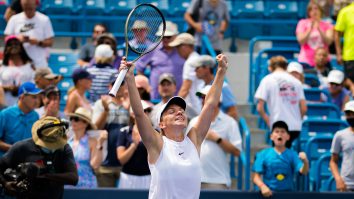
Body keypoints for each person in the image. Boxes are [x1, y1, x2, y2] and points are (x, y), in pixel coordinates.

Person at [123, 53, 228, 199]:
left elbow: (210, 105)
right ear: (161, 124)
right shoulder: (157, 143)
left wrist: (221, 71)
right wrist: (130, 79)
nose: (179, 113)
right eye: (171, 111)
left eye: (181, 111)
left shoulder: (193, 140)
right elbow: (140, 114)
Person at [0, 116, 78, 199]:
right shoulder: (21, 147)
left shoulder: (64, 148)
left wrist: (43, 174)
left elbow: (73, 178)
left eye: (54, 143)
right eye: (48, 143)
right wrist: (5, 183)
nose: (51, 147)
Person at [187, 85, 242, 190]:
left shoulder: (230, 122)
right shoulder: (194, 121)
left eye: (206, 97)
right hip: (194, 179)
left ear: (217, 100)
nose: (203, 100)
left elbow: (237, 151)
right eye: (202, 98)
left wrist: (217, 139)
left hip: (218, 180)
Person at [255, 56, 307, 148]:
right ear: (286, 67)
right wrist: (298, 120)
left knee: (279, 157)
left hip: (278, 126)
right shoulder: (296, 82)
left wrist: (268, 120)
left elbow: (260, 107)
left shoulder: (267, 80)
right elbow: (303, 108)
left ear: (270, 67)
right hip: (295, 126)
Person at [253, 121, 309, 197]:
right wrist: (262, 186)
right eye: (276, 131)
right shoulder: (263, 154)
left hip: (288, 195)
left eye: (283, 132)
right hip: (269, 195)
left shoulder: (292, 154)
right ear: (271, 136)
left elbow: (304, 171)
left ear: (288, 137)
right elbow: (255, 176)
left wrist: (305, 161)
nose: (280, 134)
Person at [92, 78, 130, 187]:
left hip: (125, 164)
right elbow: (97, 127)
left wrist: (128, 108)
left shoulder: (129, 103)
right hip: (105, 163)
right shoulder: (100, 103)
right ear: (110, 86)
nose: (118, 87)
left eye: (121, 84)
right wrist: (106, 110)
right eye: (115, 84)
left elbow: (133, 129)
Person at [135, 21, 185, 100]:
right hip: (155, 97)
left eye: (168, 36)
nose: (165, 39)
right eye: (162, 36)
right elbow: (139, 68)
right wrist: (145, 86)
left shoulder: (182, 50)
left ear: (176, 36)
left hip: (178, 97)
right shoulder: (153, 48)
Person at [4, 0, 54, 68]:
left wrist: (38, 42)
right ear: (22, 6)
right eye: (25, 8)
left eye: (30, 9)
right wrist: (17, 40)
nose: (28, 11)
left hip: (39, 64)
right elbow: (7, 39)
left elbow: (50, 42)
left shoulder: (44, 19)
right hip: (19, 65)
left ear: (36, 5)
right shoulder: (14, 19)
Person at [67, 107, 107, 188]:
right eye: (72, 118)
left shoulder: (92, 142)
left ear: (85, 123)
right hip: (68, 185)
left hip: (86, 185)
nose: (73, 121)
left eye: (76, 119)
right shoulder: (67, 142)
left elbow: (95, 165)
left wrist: (100, 143)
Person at [117, 100, 152, 189]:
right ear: (133, 114)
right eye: (143, 111)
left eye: (148, 111)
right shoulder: (124, 132)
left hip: (149, 178)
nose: (146, 113)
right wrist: (134, 145)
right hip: (128, 179)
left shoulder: (156, 133)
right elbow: (121, 159)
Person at [192, 55, 239, 120]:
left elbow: (233, 112)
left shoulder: (223, 87)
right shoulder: (200, 87)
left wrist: (217, 124)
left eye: (197, 68)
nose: (195, 70)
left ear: (207, 68)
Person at [0, 82, 41, 157]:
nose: (37, 101)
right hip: (6, 162)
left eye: (38, 97)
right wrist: (15, 149)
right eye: (34, 97)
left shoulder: (35, 116)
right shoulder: (5, 114)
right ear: (22, 97)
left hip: (27, 162)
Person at [170, 33, 204, 118]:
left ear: (187, 46)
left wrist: (173, 106)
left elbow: (185, 88)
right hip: (198, 107)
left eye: (179, 46)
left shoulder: (190, 62)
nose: (177, 50)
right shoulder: (197, 58)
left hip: (194, 109)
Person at [0, 35, 35, 107]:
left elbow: (34, 86)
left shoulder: (30, 66)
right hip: (4, 106)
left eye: (16, 44)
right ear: (6, 49)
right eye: (10, 45)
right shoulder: (1, 66)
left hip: (24, 106)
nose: (13, 46)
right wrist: (7, 88)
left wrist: (21, 89)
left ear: (21, 47)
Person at [296, 1, 333, 67]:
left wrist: (319, 29)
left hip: (323, 60)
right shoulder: (302, 23)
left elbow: (328, 42)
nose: (314, 11)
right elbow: (301, 41)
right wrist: (310, 29)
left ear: (320, 11)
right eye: (311, 9)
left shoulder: (327, 25)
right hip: (306, 60)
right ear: (308, 12)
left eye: (316, 9)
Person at [330, 100, 354, 192]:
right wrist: (338, 179)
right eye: (348, 114)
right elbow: (333, 161)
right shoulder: (340, 135)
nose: (351, 117)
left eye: (352, 113)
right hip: (346, 185)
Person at [334, 2, 354, 94]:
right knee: (350, 86)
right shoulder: (345, 12)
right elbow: (337, 33)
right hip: (350, 56)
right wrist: (338, 53)